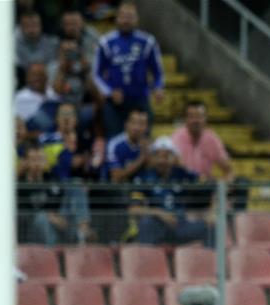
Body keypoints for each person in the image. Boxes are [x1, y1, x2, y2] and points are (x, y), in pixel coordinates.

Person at [92, 1, 164, 138]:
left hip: (141, 99)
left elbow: (158, 72)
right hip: (115, 103)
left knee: (143, 140)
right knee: (114, 139)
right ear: (117, 18)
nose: (126, 20)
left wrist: (158, 87)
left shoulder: (148, 42)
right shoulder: (106, 42)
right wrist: (109, 92)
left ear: (137, 19)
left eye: (130, 17)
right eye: (123, 16)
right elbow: (96, 74)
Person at [128, 136, 208, 245]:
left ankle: (215, 260)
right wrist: (159, 213)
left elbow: (210, 186)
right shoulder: (143, 178)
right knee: (146, 223)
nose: (162, 160)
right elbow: (134, 210)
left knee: (210, 226)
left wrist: (213, 211)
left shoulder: (182, 174)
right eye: (158, 156)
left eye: (167, 156)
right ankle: (147, 259)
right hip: (157, 225)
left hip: (180, 225)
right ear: (153, 158)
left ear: (174, 157)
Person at [170, 101, 233, 182]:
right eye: (191, 116)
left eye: (199, 116)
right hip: (183, 187)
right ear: (185, 119)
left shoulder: (212, 139)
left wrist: (220, 189)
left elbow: (229, 171)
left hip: (205, 188)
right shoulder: (176, 138)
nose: (196, 120)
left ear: (206, 118)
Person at [106, 108, 150, 183]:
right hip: (118, 189)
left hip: (141, 186)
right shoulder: (115, 144)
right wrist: (142, 157)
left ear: (147, 127)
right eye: (133, 123)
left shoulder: (149, 144)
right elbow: (116, 176)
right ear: (126, 124)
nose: (137, 128)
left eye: (141, 124)